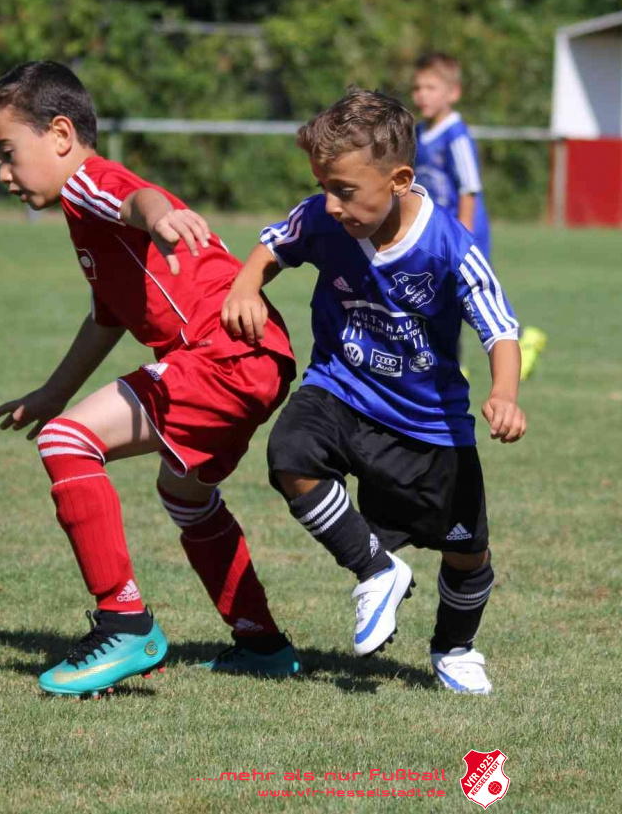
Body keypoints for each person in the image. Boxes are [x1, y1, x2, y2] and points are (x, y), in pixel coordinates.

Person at [0, 60, 300, 698]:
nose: (3, 174)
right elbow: (108, 318)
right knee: (186, 496)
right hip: (254, 355)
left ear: (60, 135)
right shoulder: (86, 219)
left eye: (7, 153)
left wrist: (160, 216)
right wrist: (52, 393)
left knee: (67, 442)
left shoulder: (87, 182)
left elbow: (137, 198)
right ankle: (263, 644)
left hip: (220, 355)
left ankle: (125, 624)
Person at [221, 87, 527, 695]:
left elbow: (500, 327)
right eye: (323, 187)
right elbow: (275, 243)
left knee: (466, 552)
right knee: (289, 453)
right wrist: (245, 286)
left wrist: (505, 393)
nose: (330, 204)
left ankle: (455, 648)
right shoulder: (322, 217)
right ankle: (375, 569)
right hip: (339, 389)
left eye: (344, 190)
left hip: (428, 424)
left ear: (399, 179)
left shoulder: (448, 246)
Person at [412, 52, 547, 381]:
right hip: (433, 233)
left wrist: (463, 235)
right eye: (418, 88)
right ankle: (451, 365)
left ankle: (522, 343)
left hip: (461, 233)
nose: (422, 95)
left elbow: (469, 189)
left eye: (431, 88)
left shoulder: (455, 135)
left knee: (471, 297)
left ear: (453, 93)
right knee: (437, 299)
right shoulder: (418, 132)